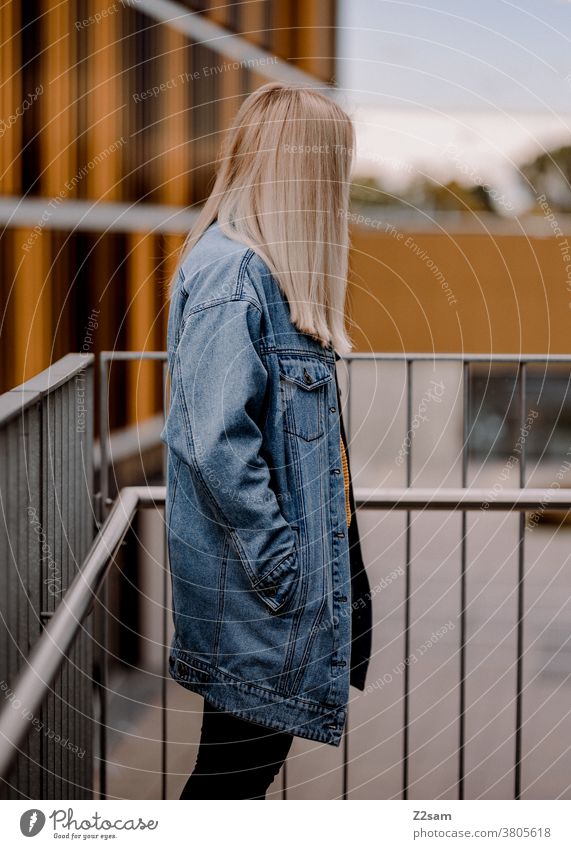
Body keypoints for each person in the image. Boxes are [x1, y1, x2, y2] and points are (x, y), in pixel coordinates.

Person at [160, 81, 372, 800]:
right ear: (306, 173)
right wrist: (284, 567)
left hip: (271, 591)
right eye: (333, 166)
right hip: (261, 596)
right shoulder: (237, 275)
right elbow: (215, 444)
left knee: (236, 775)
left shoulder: (263, 273)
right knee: (230, 781)